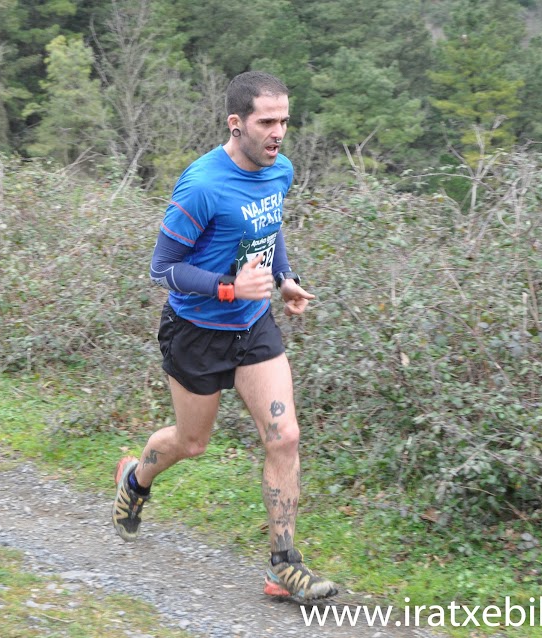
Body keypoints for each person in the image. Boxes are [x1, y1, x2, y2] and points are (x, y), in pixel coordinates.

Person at [111, 71, 338, 603]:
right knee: (192, 444)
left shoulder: (280, 170)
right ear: (236, 123)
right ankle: (135, 479)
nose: (278, 133)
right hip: (196, 331)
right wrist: (229, 287)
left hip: (253, 326)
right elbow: (162, 268)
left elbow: (269, 226)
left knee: (285, 437)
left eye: (284, 121)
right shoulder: (202, 185)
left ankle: (284, 565)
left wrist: (284, 278)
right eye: (266, 122)